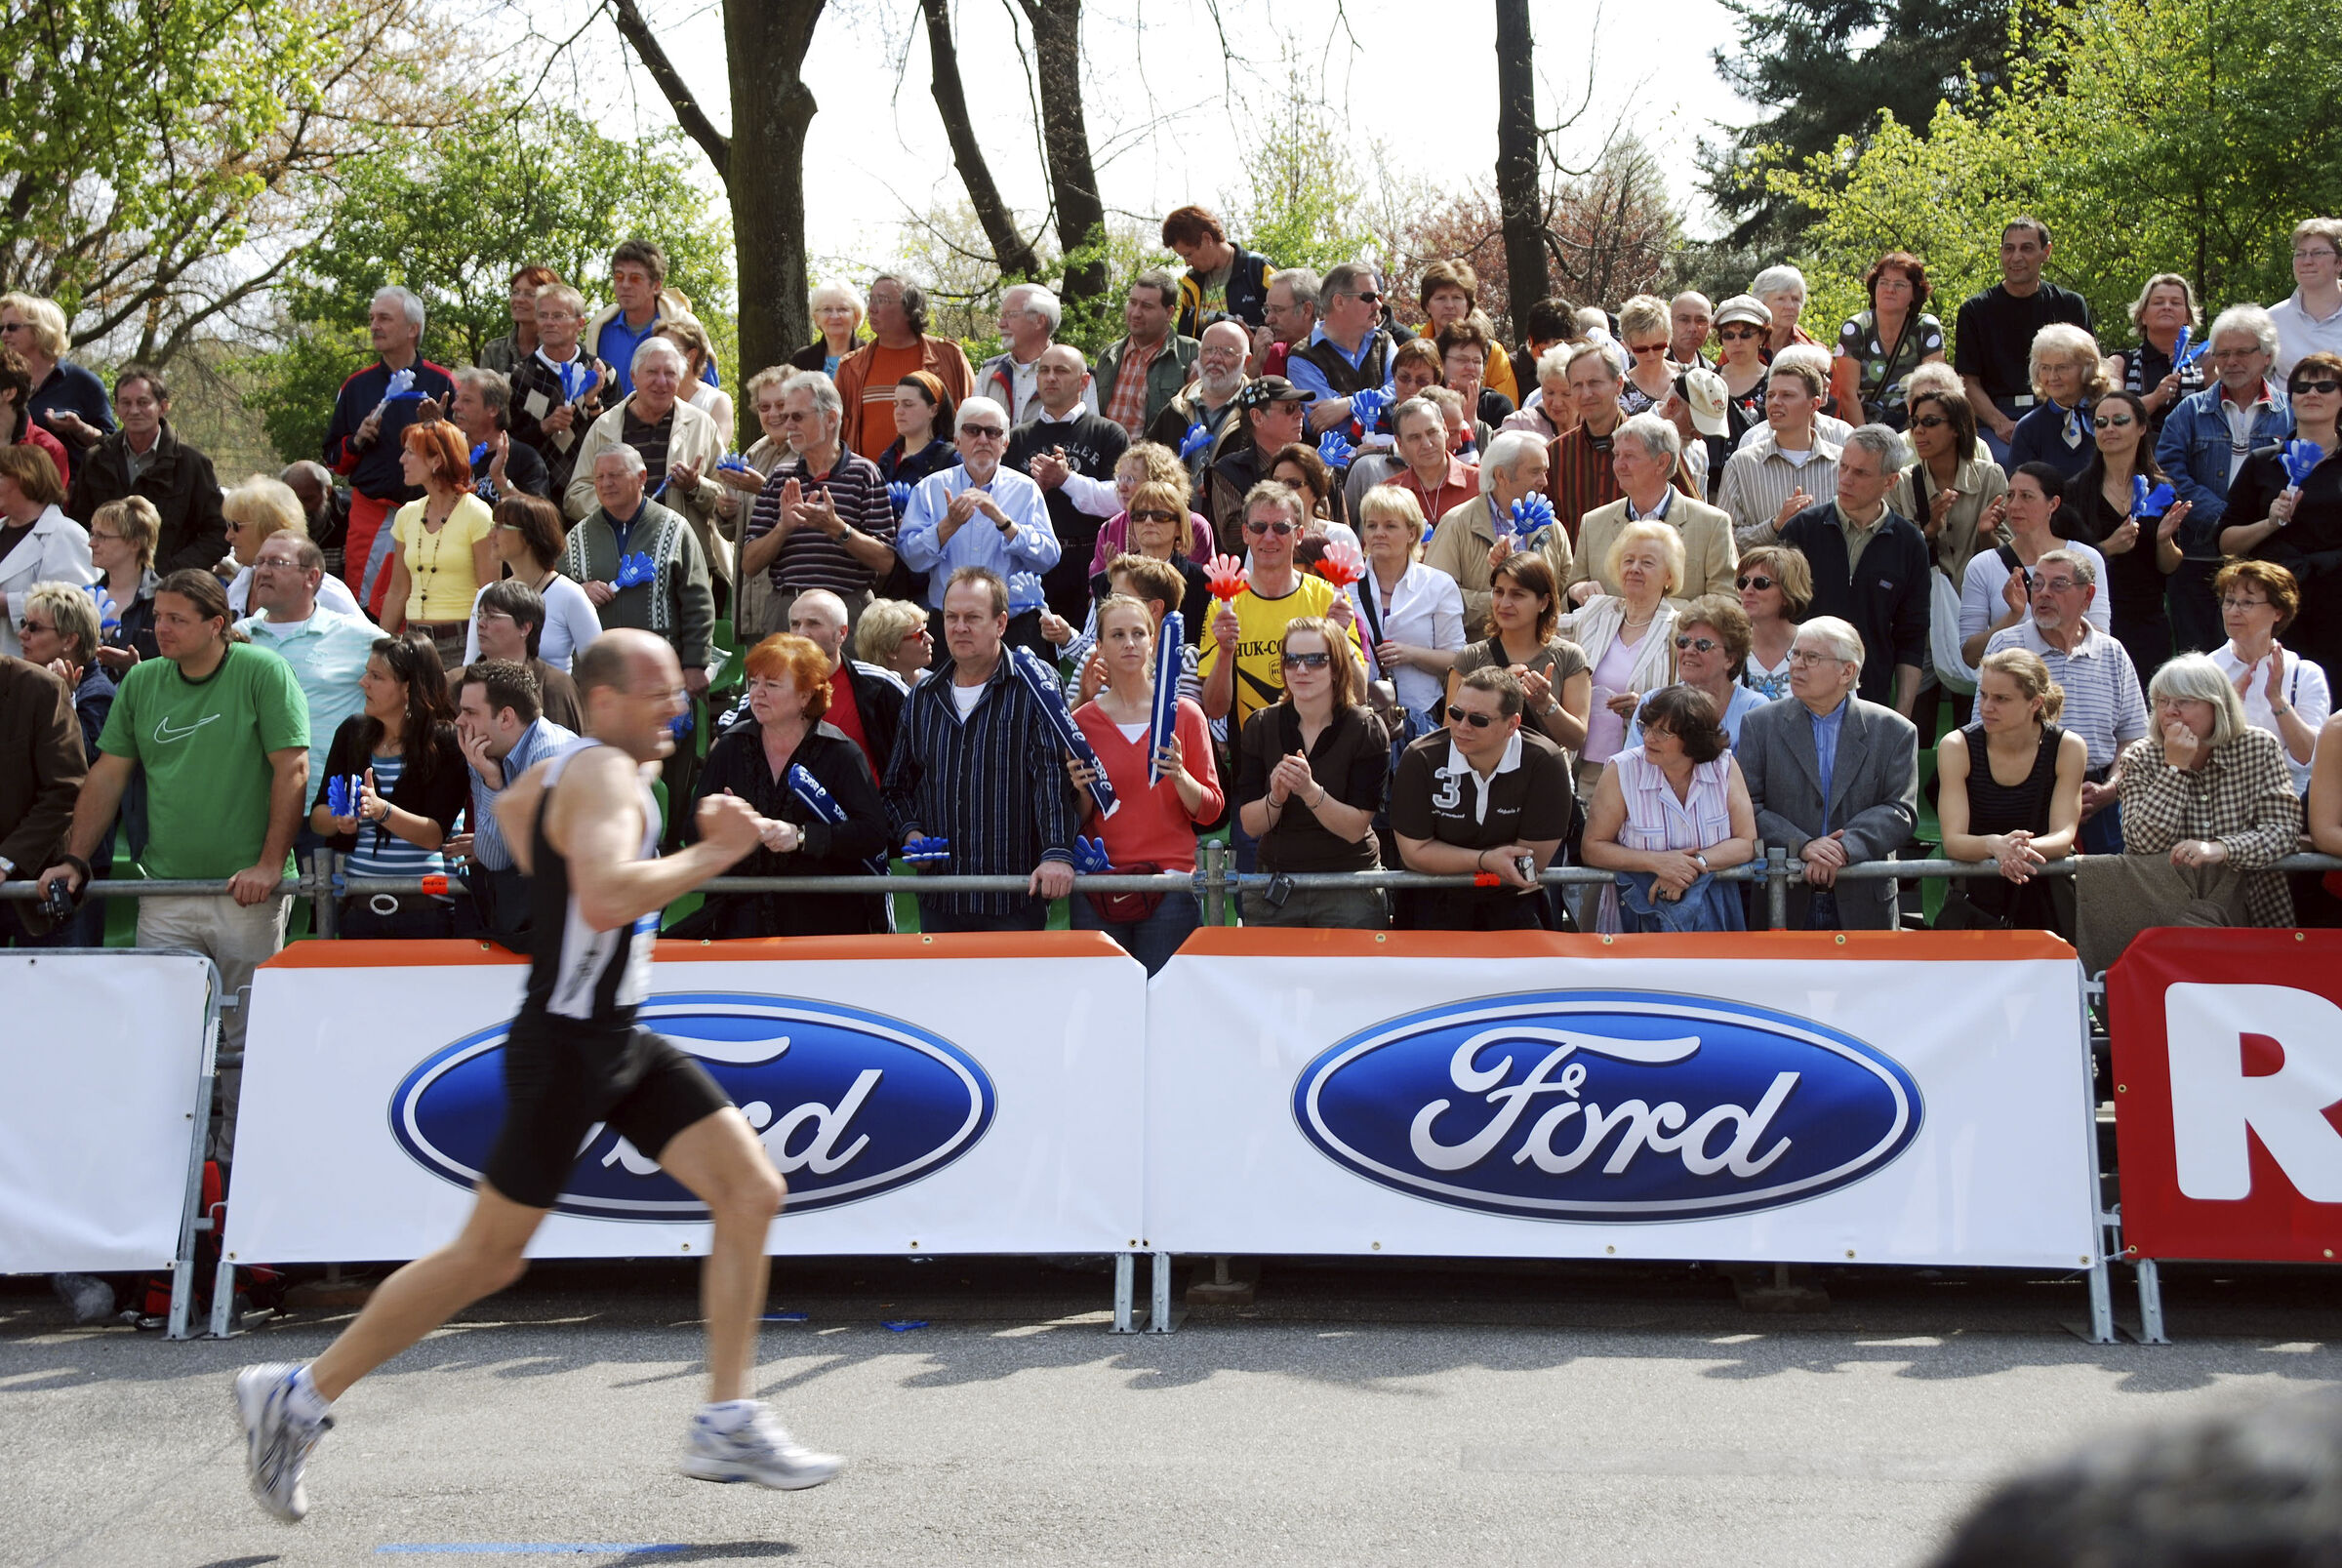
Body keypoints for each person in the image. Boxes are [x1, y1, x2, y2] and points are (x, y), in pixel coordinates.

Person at [231, 628, 842, 1525]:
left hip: (614, 1037)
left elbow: (516, 820)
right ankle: (296, 1393)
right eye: (658, 690)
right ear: (601, 704)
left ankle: (726, 1415)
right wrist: (715, 855)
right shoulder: (599, 775)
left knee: (751, 1188)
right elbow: (603, 896)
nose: (679, 704)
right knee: (488, 1255)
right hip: (566, 1044)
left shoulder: (579, 774)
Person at [36, 570, 307, 1153]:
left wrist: (268, 865)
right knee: (163, 1040)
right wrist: (75, 859)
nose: (161, 628)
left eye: (177, 619)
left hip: (247, 894)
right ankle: (165, 1180)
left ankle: (243, 1177)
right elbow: (107, 775)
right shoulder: (142, 681)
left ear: (218, 624)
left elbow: (293, 770)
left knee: (249, 1042)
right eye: (158, 616)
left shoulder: (263, 671)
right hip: (164, 890)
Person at [882, 567, 1077, 933]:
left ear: (1001, 623)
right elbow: (895, 787)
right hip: (941, 899)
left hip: (1013, 899)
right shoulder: (921, 698)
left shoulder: (1036, 685)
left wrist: (1056, 853)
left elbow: (1051, 777)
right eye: (952, 617)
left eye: (972, 617)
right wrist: (911, 833)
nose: (959, 627)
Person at [688, 632, 890, 938]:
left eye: (771, 685)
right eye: (754, 682)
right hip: (739, 927)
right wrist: (718, 824)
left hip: (821, 929)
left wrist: (802, 837)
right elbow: (690, 831)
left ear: (806, 695)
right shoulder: (730, 746)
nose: (757, 693)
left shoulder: (841, 752)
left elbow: (873, 834)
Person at [1063, 594, 1221, 970]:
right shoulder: (1082, 721)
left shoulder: (1185, 714)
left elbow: (1211, 811)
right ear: (1099, 646)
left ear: (1153, 641)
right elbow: (1080, 819)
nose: (1129, 643)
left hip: (1169, 886)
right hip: (1099, 886)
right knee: (1105, 1007)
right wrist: (1081, 790)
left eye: (1138, 633)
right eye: (1117, 635)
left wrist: (1180, 776)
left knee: (1165, 1007)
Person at [1737, 616, 1918, 930]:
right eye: (1794, 655)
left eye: (1811, 658)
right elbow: (1748, 807)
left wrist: (1844, 848)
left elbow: (1900, 810)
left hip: (1863, 901)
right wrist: (1804, 845)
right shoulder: (1759, 725)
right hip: (1786, 898)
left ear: (1846, 671)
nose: (1796, 666)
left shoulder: (1894, 731)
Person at [1984, 549, 2149, 854]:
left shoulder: (2112, 653)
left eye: (2058, 585)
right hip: (2024, 796)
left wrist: (2111, 789)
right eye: (2038, 584)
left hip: (2097, 801)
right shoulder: (2006, 645)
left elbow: (2133, 737)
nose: (2044, 594)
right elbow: (1985, 728)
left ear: (2088, 596)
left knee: (2103, 894)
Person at [2119, 652, 2301, 927]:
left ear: (2217, 705)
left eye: (2183, 701)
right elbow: (2142, 843)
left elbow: (2283, 831)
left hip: (2252, 909)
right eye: (2163, 702)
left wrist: (2221, 849)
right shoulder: (2140, 755)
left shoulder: (2259, 747)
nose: (2169, 711)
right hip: (2168, 913)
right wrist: (2174, 769)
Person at [308, 633, 466, 939]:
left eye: (376, 676)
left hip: (428, 909)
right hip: (360, 907)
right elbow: (318, 819)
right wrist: (339, 819)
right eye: (367, 673)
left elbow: (433, 835)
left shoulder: (445, 742)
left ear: (408, 687)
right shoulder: (352, 733)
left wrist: (382, 811)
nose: (363, 683)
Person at [1390, 665, 1572, 929]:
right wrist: (1486, 860)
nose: (1462, 726)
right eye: (1455, 713)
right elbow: (1414, 853)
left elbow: (1530, 861)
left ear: (1512, 724)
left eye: (1478, 719)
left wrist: (1454, 860)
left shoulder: (1544, 761)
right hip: (1431, 904)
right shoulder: (1421, 757)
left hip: (1514, 905)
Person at [1236, 617, 1389, 929]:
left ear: (1336, 668)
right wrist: (1276, 796)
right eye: (1291, 660)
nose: (1301, 670)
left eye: (1316, 660)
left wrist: (1309, 791)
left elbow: (1354, 829)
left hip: (1348, 881)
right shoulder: (1260, 725)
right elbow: (1251, 825)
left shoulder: (1366, 729)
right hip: (1278, 881)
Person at [2157, 302, 2291, 653]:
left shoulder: (2291, 414)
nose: (2231, 361)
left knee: (2262, 661)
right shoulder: (2188, 412)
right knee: (2199, 664)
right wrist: (2225, 520)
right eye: (2222, 353)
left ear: (2266, 356)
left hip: (2270, 561)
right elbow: (2168, 473)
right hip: (2198, 557)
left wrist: (2257, 526)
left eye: (2242, 352)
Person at [321, 287, 458, 618]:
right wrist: (357, 440)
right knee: (364, 608)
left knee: (428, 603)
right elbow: (332, 459)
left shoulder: (444, 382)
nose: (374, 326)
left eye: (384, 318)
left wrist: (440, 432)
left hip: (433, 512)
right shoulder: (356, 386)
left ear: (413, 329)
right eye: (372, 319)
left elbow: (461, 459)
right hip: (373, 515)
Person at [1776, 425, 1931, 715]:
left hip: (1869, 700)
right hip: (1794, 695)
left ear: (1891, 481)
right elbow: (1773, 616)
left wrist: (1902, 714)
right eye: (1843, 467)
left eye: (1860, 473)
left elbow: (1912, 637)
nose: (1846, 480)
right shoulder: (1800, 530)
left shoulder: (1910, 545)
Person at [1583, 683, 1759, 932]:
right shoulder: (1621, 770)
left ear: (1693, 738)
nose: (1648, 738)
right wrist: (1658, 863)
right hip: (1635, 918)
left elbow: (1746, 841)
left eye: (1663, 732)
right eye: (1646, 727)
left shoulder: (1724, 766)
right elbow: (1592, 848)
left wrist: (1693, 865)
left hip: (1712, 917)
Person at [1935, 648, 2085, 935]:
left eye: (2001, 699)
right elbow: (1953, 841)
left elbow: (2063, 835)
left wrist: (2014, 851)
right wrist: (1995, 845)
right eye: (1984, 695)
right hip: (1977, 901)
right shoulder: (1956, 746)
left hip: (2046, 897)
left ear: (2035, 702)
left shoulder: (2069, 747)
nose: (1987, 707)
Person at [895, 395, 1057, 655]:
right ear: (957, 442)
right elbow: (911, 558)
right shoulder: (930, 488)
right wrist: (947, 526)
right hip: (950, 627)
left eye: (992, 433)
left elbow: (1048, 558)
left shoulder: (1026, 490)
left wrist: (1004, 523)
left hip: (1012, 627)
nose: (983, 440)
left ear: (1004, 443)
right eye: (973, 431)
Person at [742, 371, 899, 637]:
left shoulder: (865, 474)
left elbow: (886, 561)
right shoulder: (780, 477)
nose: (787, 424)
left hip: (847, 613)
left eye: (797, 416)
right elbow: (749, 564)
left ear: (831, 418)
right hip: (788, 612)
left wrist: (836, 527)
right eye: (785, 416)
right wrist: (783, 527)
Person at [566, 338, 730, 592]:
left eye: (670, 373)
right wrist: (621, 505)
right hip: (618, 559)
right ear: (633, 377)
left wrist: (696, 486)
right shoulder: (606, 426)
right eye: (652, 372)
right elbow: (575, 496)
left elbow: (727, 500)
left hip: (684, 562)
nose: (661, 382)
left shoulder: (702, 425)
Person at [1199, 481, 1361, 736]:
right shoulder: (1225, 607)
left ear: (1299, 535)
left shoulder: (1327, 598)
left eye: (1281, 527)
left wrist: (1341, 638)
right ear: (1245, 533)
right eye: (1259, 527)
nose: (1269, 537)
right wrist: (1224, 652)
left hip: (1323, 749)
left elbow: (1360, 696)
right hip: (1253, 754)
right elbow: (1215, 708)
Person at [2226, 350, 2342, 686]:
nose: (2312, 394)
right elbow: (2226, 541)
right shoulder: (2263, 463)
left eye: (2325, 386)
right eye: (2302, 387)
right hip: (2274, 606)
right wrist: (2269, 523)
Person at [236, 531, 380, 800]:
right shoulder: (236, 638)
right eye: (260, 562)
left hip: (327, 808)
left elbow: (416, 681)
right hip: (249, 805)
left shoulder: (357, 636)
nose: (263, 571)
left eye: (276, 563)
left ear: (311, 577)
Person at [564, 447, 715, 701]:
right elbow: (552, 595)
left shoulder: (675, 529)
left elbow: (697, 602)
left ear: (642, 477)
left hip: (661, 675)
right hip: (599, 680)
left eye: (615, 475)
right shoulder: (577, 537)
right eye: (599, 477)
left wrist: (695, 663)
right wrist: (578, 591)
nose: (606, 483)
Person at [450, 659, 576, 943]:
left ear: (506, 718)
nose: (459, 721)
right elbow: (494, 858)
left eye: (469, 712)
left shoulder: (550, 753)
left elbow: (536, 859)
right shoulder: (483, 754)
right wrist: (493, 781)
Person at [2065, 389, 2184, 688]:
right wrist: (2106, 548)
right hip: (2090, 619)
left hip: (2147, 618)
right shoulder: (2075, 491)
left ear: (2142, 428)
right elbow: (2062, 562)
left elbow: (2169, 567)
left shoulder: (2162, 490)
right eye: (2101, 422)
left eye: (2120, 420)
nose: (2109, 429)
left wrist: (2163, 540)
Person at [1559, 519, 1683, 802]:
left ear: (1669, 576)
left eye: (1647, 562)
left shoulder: (1677, 629)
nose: (1635, 568)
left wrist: (1645, 706)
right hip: (1582, 763)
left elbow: (1687, 700)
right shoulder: (1596, 611)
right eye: (1629, 560)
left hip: (1644, 769)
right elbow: (1541, 629)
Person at [1954, 217, 2095, 463]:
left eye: (2026, 248)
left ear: (2046, 252)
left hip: (2060, 409)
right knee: (2012, 466)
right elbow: (1967, 381)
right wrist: (2000, 424)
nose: (2016, 257)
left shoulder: (2070, 304)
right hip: (1998, 418)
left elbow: (2091, 369)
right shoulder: (1975, 311)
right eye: (2009, 249)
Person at [1005, 344, 1130, 622]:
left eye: (1061, 371)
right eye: (1044, 371)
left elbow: (1122, 500)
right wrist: (1036, 490)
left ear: (1084, 381)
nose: (1051, 378)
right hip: (1032, 565)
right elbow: (1002, 508)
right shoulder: (1017, 439)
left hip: (1093, 562)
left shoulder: (1108, 433)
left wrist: (1066, 479)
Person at [63, 364, 225, 573]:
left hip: (170, 589)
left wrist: (172, 573)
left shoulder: (192, 464)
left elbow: (218, 533)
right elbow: (79, 525)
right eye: (126, 403)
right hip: (107, 585)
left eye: (143, 402)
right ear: (117, 408)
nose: (134, 411)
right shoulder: (96, 460)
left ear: (163, 407)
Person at [1568, 413, 1737, 604]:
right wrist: (1577, 591)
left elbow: (1727, 602)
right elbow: (1568, 597)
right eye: (1616, 455)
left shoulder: (1712, 524)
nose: (1619, 465)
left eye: (1630, 456)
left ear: (1662, 462)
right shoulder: (1593, 523)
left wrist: (1654, 612)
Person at [743, 587, 905, 781]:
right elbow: (724, 743)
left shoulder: (880, 683)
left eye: (813, 624)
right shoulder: (764, 690)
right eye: (795, 625)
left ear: (842, 634)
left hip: (866, 806)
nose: (802, 633)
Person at [1959, 462, 2113, 664]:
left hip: (2073, 682)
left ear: (2053, 504)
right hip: (2011, 687)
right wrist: (2013, 616)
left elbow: (2102, 639)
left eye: (2026, 496)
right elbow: (1970, 655)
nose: (2013, 505)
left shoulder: (2086, 558)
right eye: (2010, 495)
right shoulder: (1982, 565)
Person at [1446, 550, 1592, 761]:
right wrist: (1498, 687)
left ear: (1543, 602)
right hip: (1480, 776)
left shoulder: (1569, 656)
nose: (1504, 603)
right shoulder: (1471, 657)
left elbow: (1576, 738)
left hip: (1541, 776)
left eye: (1518, 595)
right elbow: (1451, 732)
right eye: (1498, 592)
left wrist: (1545, 702)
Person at [2207, 559, 2327, 796]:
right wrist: (2228, 707)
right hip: (2218, 797)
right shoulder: (2205, 670)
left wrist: (2277, 699)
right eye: (2229, 601)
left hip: (2284, 801)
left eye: (2247, 603)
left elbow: (2308, 757)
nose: (2233, 611)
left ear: (2278, 611)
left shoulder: (2303, 674)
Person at [1346, 486, 1465, 724]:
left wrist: (1410, 654)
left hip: (1419, 717)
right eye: (1371, 525)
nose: (1379, 533)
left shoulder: (1438, 585)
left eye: (1390, 526)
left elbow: (1458, 659)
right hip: (1358, 717)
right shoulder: (1345, 586)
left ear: (1412, 533)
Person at [381, 422, 495, 668]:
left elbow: (489, 593)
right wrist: (381, 648)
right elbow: (398, 590)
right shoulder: (407, 514)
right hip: (413, 645)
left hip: (462, 646)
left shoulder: (477, 514)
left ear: (436, 461)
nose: (402, 460)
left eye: (410, 452)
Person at [836, 276, 976, 461]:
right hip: (868, 482)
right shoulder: (852, 367)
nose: (872, 308)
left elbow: (974, 417)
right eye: (871, 299)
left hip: (937, 478)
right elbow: (835, 433)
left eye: (882, 300)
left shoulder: (948, 357)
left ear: (910, 310)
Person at [462, 493, 601, 673]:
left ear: (529, 536)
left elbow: (599, 668)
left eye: (500, 527)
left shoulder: (570, 595)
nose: (490, 534)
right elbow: (470, 666)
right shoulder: (486, 595)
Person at [1719, 351, 1844, 551]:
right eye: (1770, 395)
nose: (1775, 402)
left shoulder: (1842, 464)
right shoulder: (1742, 463)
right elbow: (1724, 539)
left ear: (1814, 404)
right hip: (1766, 580)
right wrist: (1774, 526)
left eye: (1787, 395)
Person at [1887, 386, 2008, 589]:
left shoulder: (1990, 477)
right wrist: (1929, 531)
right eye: (1915, 422)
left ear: (1957, 428)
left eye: (1930, 422)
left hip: (1983, 599)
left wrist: (1986, 535)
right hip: (1927, 604)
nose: (1918, 430)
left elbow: (2009, 554)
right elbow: (1895, 555)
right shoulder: (1902, 483)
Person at [0, 653, 84, 944]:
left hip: (39, 893)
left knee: (46, 989)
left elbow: (66, 789)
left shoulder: (41, 688)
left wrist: (4, 861)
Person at [505, 281, 612, 501]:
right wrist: (543, 427)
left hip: (591, 497)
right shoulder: (514, 377)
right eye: (543, 316)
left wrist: (592, 404)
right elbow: (504, 442)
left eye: (558, 316)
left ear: (580, 323)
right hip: (533, 497)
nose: (549, 323)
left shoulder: (603, 373)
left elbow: (615, 441)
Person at [1628, 595, 1770, 749]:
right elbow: (1629, 768)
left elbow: (1756, 771)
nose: (1689, 650)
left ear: (1730, 658)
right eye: (1683, 642)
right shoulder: (1653, 702)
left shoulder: (1755, 709)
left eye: (1703, 645)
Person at [582, 238, 714, 400]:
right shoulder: (600, 329)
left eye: (635, 278)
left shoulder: (684, 329)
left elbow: (707, 397)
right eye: (619, 276)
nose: (625, 285)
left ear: (656, 286)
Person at [1, 293, 112, 482]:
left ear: (40, 330)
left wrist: (80, 429)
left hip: (69, 498)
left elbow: (113, 446)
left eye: (12, 327)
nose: (4, 334)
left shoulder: (83, 383)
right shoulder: (5, 381)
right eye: (1, 328)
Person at [222, 475, 363, 623]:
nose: (228, 535)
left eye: (236, 526)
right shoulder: (242, 582)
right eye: (228, 525)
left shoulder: (324, 591)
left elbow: (368, 642)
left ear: (267, 526)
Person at [1831, 252, 1946, 429]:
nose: (1889, 289)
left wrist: (1916, 435)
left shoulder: (1926, 328)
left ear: (1915, 293)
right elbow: (1847, 394)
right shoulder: (1855, 328)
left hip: (1914, 427)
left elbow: (1932, 389)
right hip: (1864, 426)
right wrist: (1866, 441)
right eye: (1883, 282)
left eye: (1899, 285)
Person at [0, 444, 92, 659]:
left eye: (1, 476)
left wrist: (8, 604)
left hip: (33, 673)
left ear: (26, 478)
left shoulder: (66, 534)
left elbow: (78, 609)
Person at [1205, 377, 1313, 545]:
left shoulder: (1315, 466)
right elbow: (1232, 540)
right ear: (1257, 417)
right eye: (1289, 408)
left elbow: (1336, 523)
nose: (1300, 415)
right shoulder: (1229, 471)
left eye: (1299, 407)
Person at [1291, 262, 1395, 434]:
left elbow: (1405, 392)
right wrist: (1383, 411)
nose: (1378, 305)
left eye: (1380, 297)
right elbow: (1326, 425)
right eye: (1369, 297)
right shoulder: (1302, 357)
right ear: (1339, 302)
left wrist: (1348, 405)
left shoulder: (1384, 342)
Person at [466, 580, 584, 734]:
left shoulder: (555, 687)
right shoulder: (457, 683)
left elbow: (569, 751)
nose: (481, 623)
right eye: (479, 615)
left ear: (525, 627)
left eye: (492, 616)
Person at [1095, 270, 1198, 439]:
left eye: (1146, 306)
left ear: (1169, 313)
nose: (1135, 313)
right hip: (1104, 459)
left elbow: (1198, 421)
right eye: (1132, 303)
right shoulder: (1109, 355)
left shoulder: (1191, 355)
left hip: (1154, 462)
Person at [1146, 318, 1250, 482]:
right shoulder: (1176, 410)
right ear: (1199, 354)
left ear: (1247, 362)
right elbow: (1147, 461)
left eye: (1227, 352)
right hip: (1176, 506)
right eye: (1209, 350)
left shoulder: (1256, 413)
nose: (1215, 359)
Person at [1086, 444, 1214, 573]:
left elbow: (1202, 585)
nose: (1122, 487)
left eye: (1130, 479)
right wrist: (1110, 577)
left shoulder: (1194, 525)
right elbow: (1096, 586)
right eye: (1120, 478)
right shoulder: (1110, 528)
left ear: (1157, 482)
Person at [977, 283, 1091, 425]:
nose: (1001, 324)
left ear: (1039, 321)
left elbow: (1090, 433)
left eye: (1010, 315)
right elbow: (970, 429)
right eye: (1002, 316)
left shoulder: (1077, 374)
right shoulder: (989, 371)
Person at [2004, 323, 2106, 480]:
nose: (2052, 377)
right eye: (2045, 368)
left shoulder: (2109, 416)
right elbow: (2020, 489)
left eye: (2062, 367)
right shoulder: (2028, 428)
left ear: (2087, 368)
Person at [2108, 273, 2206, 432]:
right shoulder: (2120, 363)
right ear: (2143, 315)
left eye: (2175, 303)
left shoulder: (2206, 357)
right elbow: (2111, 417)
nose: (2167, 307)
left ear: (2187, 316)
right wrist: (2154, 398)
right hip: (2140, 454)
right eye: (2158, 302)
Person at [1417, 261, 1521, 408]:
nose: (1449, 305)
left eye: (1457, 297)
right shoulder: (1414, 351)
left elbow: (1507, 412)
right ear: (1427, 305)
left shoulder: (1492, 352)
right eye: (1441, 298)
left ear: (1468, 305)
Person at [1163, 205, 1274, 339]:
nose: (1187, 263)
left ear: (1207, 239)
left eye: (1188, 255)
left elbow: (1288, 322)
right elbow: (1183, 337)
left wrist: (1253, 336)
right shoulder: (1191, 282)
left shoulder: (1257, 268)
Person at [448, 368, 549, 504]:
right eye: (457, 398)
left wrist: (500, 479)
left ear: (493, 409)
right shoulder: (449, 455)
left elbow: (540, 519)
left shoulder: (525, 459)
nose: (455, 406)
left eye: (467, 400)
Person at [1381, 396, 1477, 526]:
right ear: (1400, 444)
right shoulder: (1387, 496)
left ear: (1444, 429)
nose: (1426, 444)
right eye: (1415, 437)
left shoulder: (1480, 484)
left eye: (1432, 432)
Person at [2272, 217, 2342, 380]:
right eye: (2300, 254)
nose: (2307, 261)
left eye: (2318, 253)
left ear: (2339, 263)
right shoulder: (2272, 321)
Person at [1736, 544, 1809, 700]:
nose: (1748, 590)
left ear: (1788, 591)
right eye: (1743, 582)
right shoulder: (1728, 648)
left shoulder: (1818, 647)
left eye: (1761, 583)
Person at [872, 371, 958, 502]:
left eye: (908, 404)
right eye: (896, 404)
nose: (899, 411)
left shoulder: (951, 460)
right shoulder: (888, 458)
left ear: (933, 410)